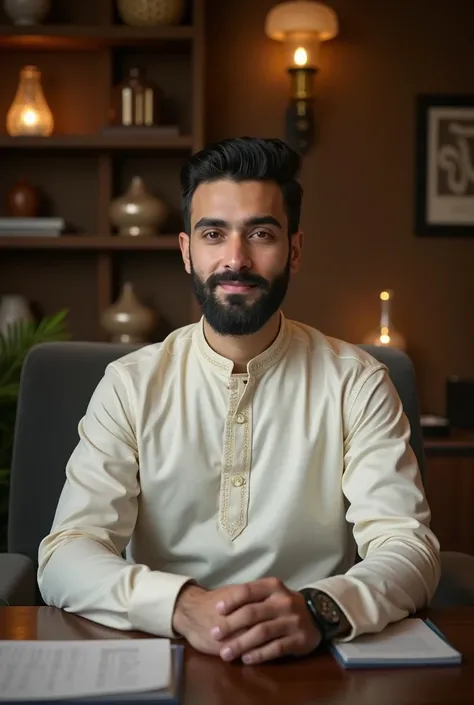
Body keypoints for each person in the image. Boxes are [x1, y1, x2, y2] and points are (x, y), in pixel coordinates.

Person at [38, 136, 441, 666]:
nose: (235, 258)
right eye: (213, 233)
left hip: (313, 659)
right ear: (186, 250)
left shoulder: (357, 382)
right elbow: (66, 552)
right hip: (160, 650)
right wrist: (182, 606)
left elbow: (408, 548)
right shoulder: (129, 385)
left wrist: (319, 609)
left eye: (260, 233)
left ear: (293, 249)